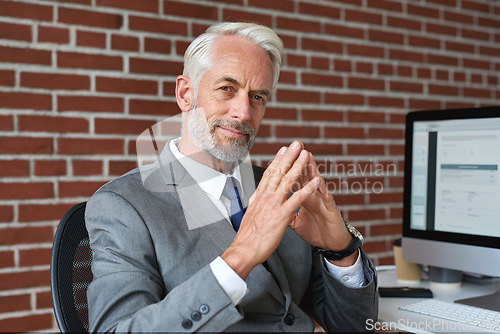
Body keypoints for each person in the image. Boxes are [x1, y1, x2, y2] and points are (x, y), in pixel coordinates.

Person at [85, 22, 378, 332]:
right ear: (186, 94)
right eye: (227, 88)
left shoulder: (279, 187)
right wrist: (239, 257)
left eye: (258, 97)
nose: (243, 112)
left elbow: (356, 326)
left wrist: (342, 252)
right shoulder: (123, 206)